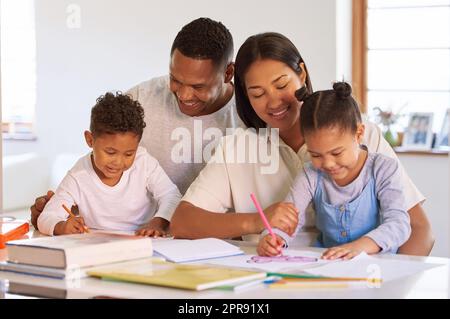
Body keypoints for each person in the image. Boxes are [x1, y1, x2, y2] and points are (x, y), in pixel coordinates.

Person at [171, 32, 434, 256]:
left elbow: (419, 229)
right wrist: (255, 221)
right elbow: (182, 223)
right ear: (245, 96)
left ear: (302, 72)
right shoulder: (238, 148)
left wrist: (387, 283)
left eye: (281, 84)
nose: (273, 102)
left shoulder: (362, 137)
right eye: (258, 94)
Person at [30, 17, 243, 235]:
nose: (184, 94)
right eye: (175, 79)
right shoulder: (140, 99)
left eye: (198, 86)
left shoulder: (249, 116)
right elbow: (99, 166)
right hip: (146, 244)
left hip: (221, 242)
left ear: (228, 73)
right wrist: (59, 218)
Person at [257, 82, 411, 259]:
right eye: (315, 154)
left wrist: (358, 247)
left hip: (375, 268)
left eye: (336, 152)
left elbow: (399, 224)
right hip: (327, 265)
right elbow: (290, 218)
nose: (328, 164)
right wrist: (274, 238)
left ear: (359, 133)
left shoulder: (383, 168)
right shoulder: (311, 175)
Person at [37, 92, 181, 236]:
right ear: (90, 140)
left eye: (129, 154)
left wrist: (158, 223)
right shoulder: (78, 175)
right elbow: (46, 217)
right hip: (97, 245)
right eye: (110, 152)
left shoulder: (144, 162)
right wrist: (61, 227)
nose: (118, 162)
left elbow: (171, 196)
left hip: (143, 240)